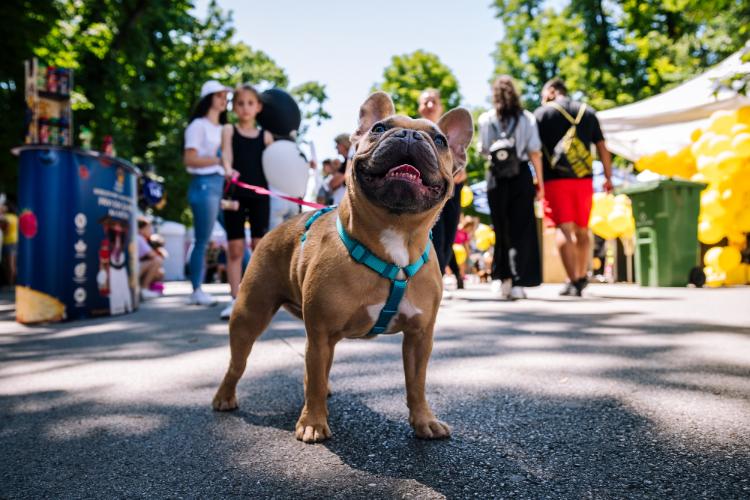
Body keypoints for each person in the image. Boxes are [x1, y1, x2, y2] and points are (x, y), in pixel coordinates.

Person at [534, 77, 613, 296]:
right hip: (584, 180)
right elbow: (603, 148)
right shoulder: (587, 112)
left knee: (564, 228)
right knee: (582, 229)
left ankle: (573, 280)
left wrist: (537, 181)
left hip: (555, 180)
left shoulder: (542, 114)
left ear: (551, 91)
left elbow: (535, 152)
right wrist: (608, 177)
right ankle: (581, 275)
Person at [478, 76, 544, 300]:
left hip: (496, 177)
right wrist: (540, 183)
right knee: (521, 230)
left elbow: (484, 149)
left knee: (500, 228)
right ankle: (518, 282)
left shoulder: (486, 119)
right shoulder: (527, 118)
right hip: (521, 175)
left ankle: (500, 279)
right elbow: (535, 151)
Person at [219, 84, 274, 320]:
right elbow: (227, 156)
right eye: (240, 103)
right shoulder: (228, 130)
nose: (245, 108)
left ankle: (258, 299)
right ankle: (235, 298)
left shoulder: (267, 136)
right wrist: (229, 170)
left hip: (260, 195)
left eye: (250, 103)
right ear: (234, 107)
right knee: (235, 248)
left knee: (259, 247)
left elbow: (278, 164)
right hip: (235, 193)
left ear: (258, 107)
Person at [184, 80, 231, 306]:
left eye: (225, 96)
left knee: (236, 235)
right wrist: (219, 160)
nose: (225, 99)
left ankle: (248, 287)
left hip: (222, 184)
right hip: (204, 184)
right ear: (209, 98)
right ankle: (196, 289)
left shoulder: (223, 128)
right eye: (220, 95)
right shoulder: (198, 125)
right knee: (202, 239)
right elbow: (190, 159)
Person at [419, 89, 465, 276]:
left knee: (448, 240)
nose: (430, 105)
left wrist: (454, 176)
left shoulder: (450, 132)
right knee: (433, 239)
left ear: (441, 106)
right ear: (419, 107)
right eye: (426, 102)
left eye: (433, 101)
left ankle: (437, 278)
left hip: (450, 195)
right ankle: (429, 281)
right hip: (425, 195)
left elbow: (462, 171)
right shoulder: (414, 130)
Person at [137, 217, 165, 299]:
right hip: (135, 269)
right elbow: (153, 255)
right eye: (148, 228)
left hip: (138, 267)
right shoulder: (139, 238)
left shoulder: (142, 239)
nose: (151, 231)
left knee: (160, 272)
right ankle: (144, 289)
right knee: (157, 261)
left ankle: (148, 288)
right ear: (140, 230)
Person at [0, 200, 18, 286]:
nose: (2, 207)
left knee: (9, 264)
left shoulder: (5, 217)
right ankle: (13, 283)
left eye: (3, 206)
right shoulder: (15, 217)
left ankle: (10, 283)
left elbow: (5, 230)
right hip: (16, 241)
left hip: (8, 242)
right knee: (13, 264)